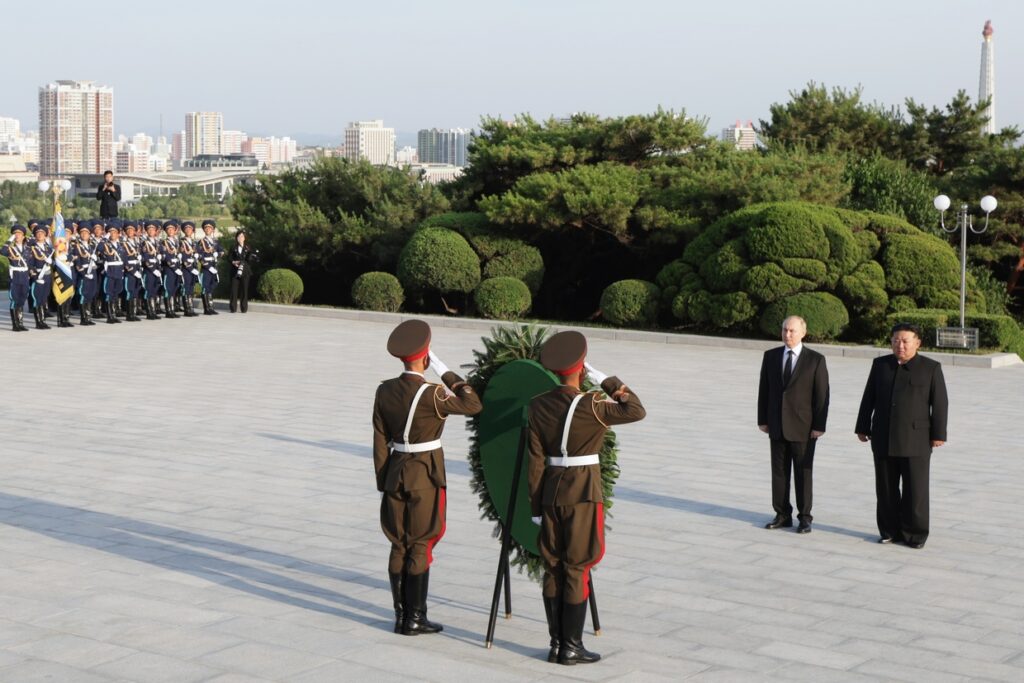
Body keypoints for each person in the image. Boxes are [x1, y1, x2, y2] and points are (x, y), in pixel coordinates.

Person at [528, 331, 646, 665]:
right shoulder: (594, 405)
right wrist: (606, 380)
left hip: (550, 492)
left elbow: (535, 460)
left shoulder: (538, 404)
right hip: (582, 492)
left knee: (553, 566)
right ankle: (571, 647)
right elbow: (635, 409)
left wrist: (536, 505)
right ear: (581, 369)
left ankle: (555, 643)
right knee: (577, 567)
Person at [372, 320, 482, 636]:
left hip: (395, 472)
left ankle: (400, 615)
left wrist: (385, 480)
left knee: (398, 543)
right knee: (420, 543)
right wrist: (446, 374)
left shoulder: (384, 390)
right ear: (425, 357)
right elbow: (473, 404)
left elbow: (380, 440)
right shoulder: (433, 393)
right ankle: (415, 618)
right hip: (425, 474)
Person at [856, 323, 949, 549]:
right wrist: (862, 426)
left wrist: (939, 434)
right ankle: (889, 531)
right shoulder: (880, 365)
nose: (900, 345)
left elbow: (939, 403)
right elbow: (869, 396)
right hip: (883, 436)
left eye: (906, 341)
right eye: (896, 340)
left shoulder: (930, 368)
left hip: (916, 439)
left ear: (917, 343)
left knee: (915, 490)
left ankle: (915, 534)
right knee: (886, 489)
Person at [757, 316, 830, 534]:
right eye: (784, 330)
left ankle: (805, 517)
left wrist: (819, 425)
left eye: (792, 331)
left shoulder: (815, 360)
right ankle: (782, 514)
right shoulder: (770, 356)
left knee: (803, 473)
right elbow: (764, 390)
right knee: (779, 473)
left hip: (804, 428)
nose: (787, 335)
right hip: (777, 425)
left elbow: (822, 396)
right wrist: (763, 419)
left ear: (803, 333)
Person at [1, 225, 31, 331]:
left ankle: (20, 323)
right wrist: (10, 239)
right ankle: (15, 325)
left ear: (23, 236)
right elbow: (2, 251)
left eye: (19, 234)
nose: (17, 235)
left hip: (25, 276)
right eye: (15, 234)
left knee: (22, 300)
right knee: (14, 299)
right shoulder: (10, 249)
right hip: (15, 276)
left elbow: (30, 263)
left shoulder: (28, 249)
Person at [26, 223, 54, 330]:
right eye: (37, 233)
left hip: (47, 276)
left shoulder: (48, 248)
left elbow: (53, 263)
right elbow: (29, 264)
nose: (40, 235)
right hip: (38, 276)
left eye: (42, 233)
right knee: (37, 299)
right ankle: (39, 322)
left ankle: (43, 321)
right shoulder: (32, 248)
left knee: (44, 298)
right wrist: (35, 277)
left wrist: (51, 262)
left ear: (45, 235)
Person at [71, 224, 98, 326]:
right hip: (84, 273)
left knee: (91, 294)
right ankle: (83, 318)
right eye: (82, 233)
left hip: (92, 272)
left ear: (89, 234)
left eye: (86, 233)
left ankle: (88, 317)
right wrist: (83, 274)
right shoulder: (77, 247)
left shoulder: (91, 246)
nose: (84, 235)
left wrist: (96, 259)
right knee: (83, 295)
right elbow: (77, 263)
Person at [98, 223, 126, 324]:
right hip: (110, 271)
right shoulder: (105, 244)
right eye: (110, 232)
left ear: (118, 234)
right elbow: (99, 248)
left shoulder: (121, 245)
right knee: (109, 293)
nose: (112, 234)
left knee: (116, 293)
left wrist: (124, 269)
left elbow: (124, 258)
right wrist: (104, 239)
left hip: (119, 271)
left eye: (114, 232)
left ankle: (114, 314)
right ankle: (109, 316)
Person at [198, 219, 223, 315]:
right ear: (204, 230)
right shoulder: (201, 242)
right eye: (206, 228)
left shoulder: (215, 241)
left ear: (213, 230)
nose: (208, 229)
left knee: (212, 286)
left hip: (214, 266)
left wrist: (218, 254)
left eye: (210, 228)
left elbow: (222, 251)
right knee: (205, 287)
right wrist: (208, 266)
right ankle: (206, 308)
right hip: (206, 268)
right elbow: (199, 256)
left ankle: (211, 307)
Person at [140, 219, 163, 320]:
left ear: (156, 231)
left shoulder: (158, 243)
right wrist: (153, 269)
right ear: (146, 231)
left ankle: (153, 311)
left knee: (154, 291)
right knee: (148, 291)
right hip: (149, 271)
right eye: (149, 230)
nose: (151, 231)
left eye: (153, 230)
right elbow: (145, 258)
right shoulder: (145, 243)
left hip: (157, 269)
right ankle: (149, 312)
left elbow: (162, 254)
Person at [229, 229, 256, 313]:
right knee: (234, 289)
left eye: (242, 236)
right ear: (236, 238)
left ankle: (244, 308)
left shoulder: (248, 247)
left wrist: (250, 256)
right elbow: (229, 258)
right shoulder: (233, 247)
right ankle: (233, 308)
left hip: (245, 271)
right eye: (238, 236)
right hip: (235, 271)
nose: (240, 238)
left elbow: (250, 259)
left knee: (244, 289)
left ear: (244, 238)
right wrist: (233, 262)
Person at [121, 220, 143, 322]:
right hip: (130, 271)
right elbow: (123, 259)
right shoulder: (123, 244)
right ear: (125, 232)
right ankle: (129, 314)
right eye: (128, 230)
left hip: (137, 269)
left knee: (135, 291)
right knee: (129, 291)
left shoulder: (137, 243)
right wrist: (131, 270)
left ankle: (133, 313)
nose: (130, 231)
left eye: (132, 230)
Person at [161, 220, 182, 319]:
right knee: (168, 290)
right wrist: (174, 267)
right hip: (169, 269)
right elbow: (165, 257)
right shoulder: (164, 242)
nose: (170, 231)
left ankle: (172, 309)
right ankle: (168, 311)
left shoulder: (177, 242)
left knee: (174, 289)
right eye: (168, 229)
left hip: (177, 267)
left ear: (175, 230)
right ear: (166, 231)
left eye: (172, 229)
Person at [179, 221, 200, 317]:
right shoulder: (181, 242)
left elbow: (198, 253)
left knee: (191, 288)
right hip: (186, 269)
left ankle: (191, 308)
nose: (188, 230)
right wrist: (190, 268)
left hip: (193, 267)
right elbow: (183, 257)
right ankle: (187, 309)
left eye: (190, 229)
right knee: (186, 288)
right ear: (184, 231)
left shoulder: (194, 242)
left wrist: (197, 255)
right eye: (186, 229)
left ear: (193, 231)